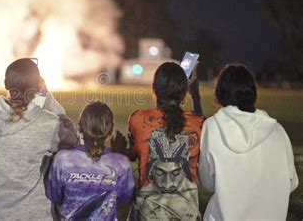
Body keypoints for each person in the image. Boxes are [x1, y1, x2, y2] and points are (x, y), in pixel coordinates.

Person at [0, 58, 78, 220]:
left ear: (5, 83)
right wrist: (45, 96)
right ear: (37, 85)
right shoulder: (47, 123)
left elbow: (12, 115)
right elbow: (73, 137)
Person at [199, 64, 299, 220]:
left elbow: (207, 182)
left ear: (220, 93)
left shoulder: (212, 127)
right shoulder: (277, 130)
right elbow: (291, 183)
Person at [128, 62, 204, 220]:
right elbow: (198, 122)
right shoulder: (199, 123)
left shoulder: (137, 120)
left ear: (154, 88)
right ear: (185, 93)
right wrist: (196, 96)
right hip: (186, 214)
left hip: (148, 213)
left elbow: (133, 153)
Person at [45, 101, 135, 220]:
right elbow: (126, 197)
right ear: (111, 131)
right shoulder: (121, 162)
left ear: (79, 128)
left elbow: (55, 196)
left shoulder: (62, 159)